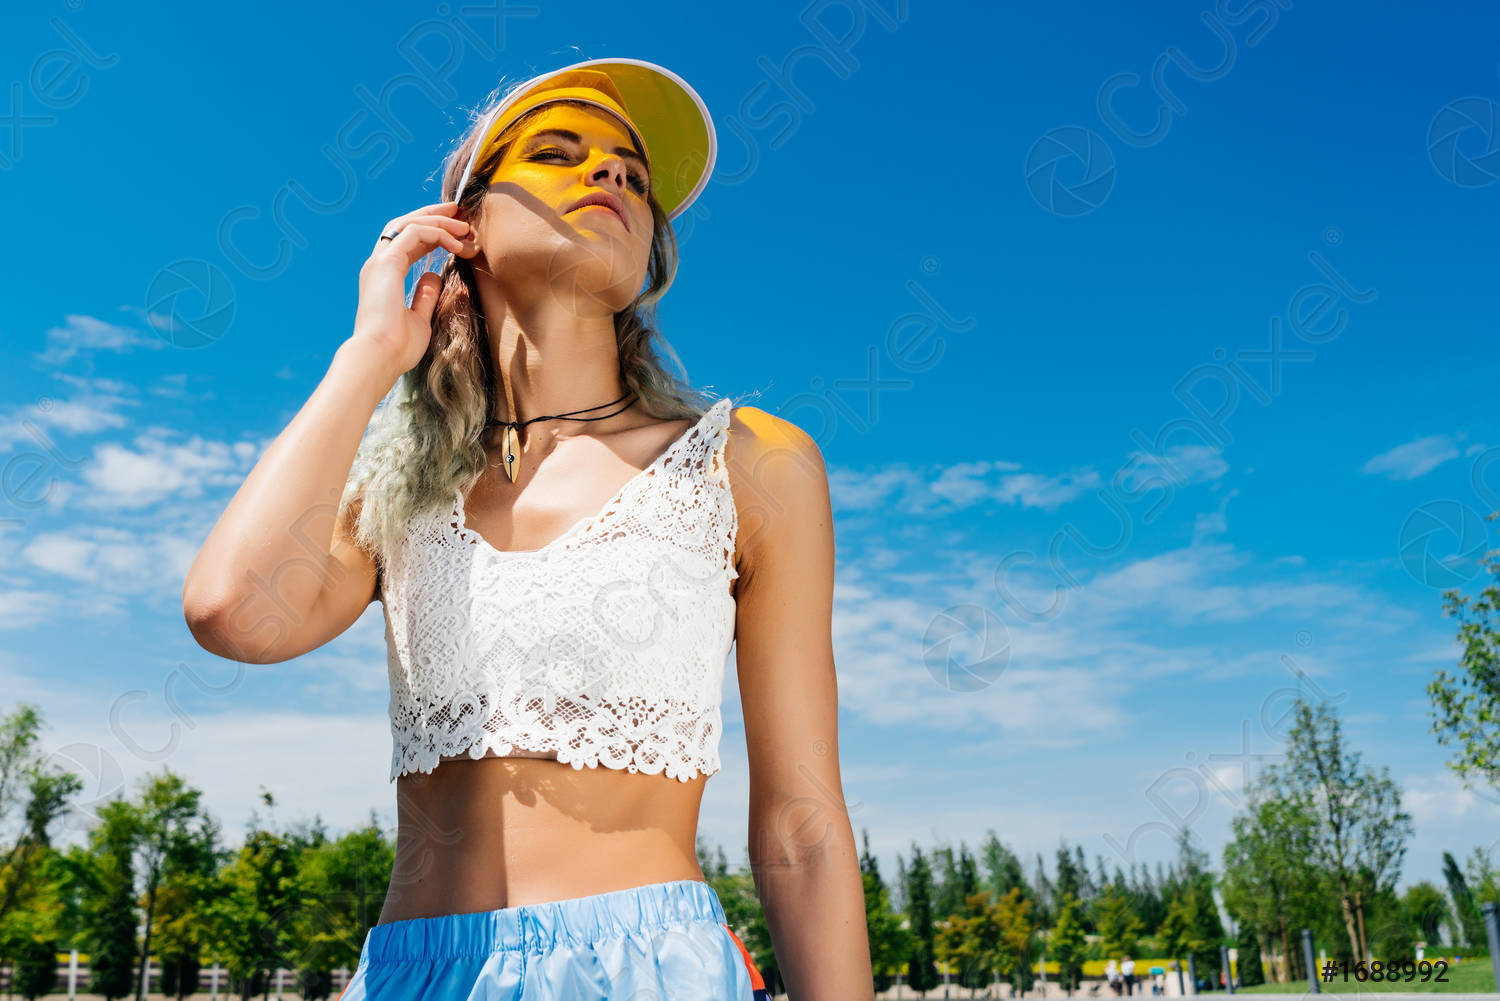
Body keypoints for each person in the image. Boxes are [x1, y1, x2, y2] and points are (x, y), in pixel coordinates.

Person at [182, 56, 871, 999]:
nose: (611, 176)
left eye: (632, 174)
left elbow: (801, 817)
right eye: (559, 152)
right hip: (411, 975)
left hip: (650, 971)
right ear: (459, 228)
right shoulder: (400, 488)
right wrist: (371, 352)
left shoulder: (750, 461)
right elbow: (231, 611)